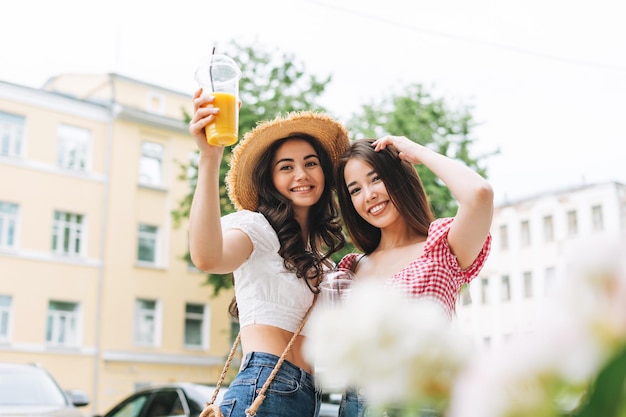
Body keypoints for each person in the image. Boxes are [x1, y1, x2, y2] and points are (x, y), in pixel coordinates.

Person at [187, 87, 350, 417]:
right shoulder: (257, 229)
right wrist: (209, 159)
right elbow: (207, 257)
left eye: (310, 163)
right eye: (286, 167)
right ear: (270, 179)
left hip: (309, 397)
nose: (301, 175)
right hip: (266, 387)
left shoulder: (325, 263)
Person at [334, 136, 494, 417]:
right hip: (355, 405)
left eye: (376, 179)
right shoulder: (351, 268)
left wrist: (417, 151)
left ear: (397, 177)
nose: (368, 194)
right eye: (355, 190)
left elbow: (479, 193)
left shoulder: (440, 247)